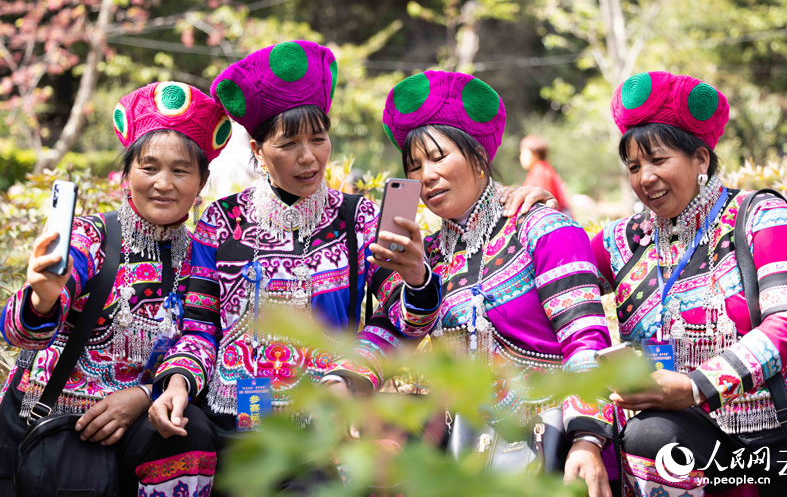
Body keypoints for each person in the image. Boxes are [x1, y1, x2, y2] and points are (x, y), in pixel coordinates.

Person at [146, 43, 550, 486]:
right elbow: (199, 328)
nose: (308, 157)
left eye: (318, 139)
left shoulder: (357, 219)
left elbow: (401, 321)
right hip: (235, 419)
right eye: (289, 143)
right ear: (259, 151)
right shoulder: (222, 223)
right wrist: (179, 384)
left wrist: (414, 281)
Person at [324, 71, 616, 497]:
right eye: (414, 166)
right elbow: (393, 328)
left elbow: (586, 341)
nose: (426, 176)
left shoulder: (544, 229)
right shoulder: (431, 254)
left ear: (479, 156)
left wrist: (587, 442)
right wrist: (343, 380)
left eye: (440, 158)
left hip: (549, 441)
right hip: (462, 442)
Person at [591, 71, 787, 497]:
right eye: (634, 166)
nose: (645, 178)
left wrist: (697, 386)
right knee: (646, 437)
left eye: (658, 160)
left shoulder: (762, 217)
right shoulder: (626, 240)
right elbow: (558, 277)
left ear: (701, 160)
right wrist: (528, 213)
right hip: (692, 441)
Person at [0, 81, 233, 495]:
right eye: (149, 167)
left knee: (192, 430)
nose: (164, 183)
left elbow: (200, 339)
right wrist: (43, 296)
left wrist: (145, 394)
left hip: (137, 430)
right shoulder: (92, 236)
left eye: (180, 170)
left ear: (201, 182)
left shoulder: (202, 252)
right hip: (51, 428)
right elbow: (21, 333)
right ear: (127, 174)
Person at [520, 134, 571, 215]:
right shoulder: (543, 169)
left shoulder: (540, 173)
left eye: (523, 152)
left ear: (534, 153)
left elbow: (545, 204)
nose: (521, 157)